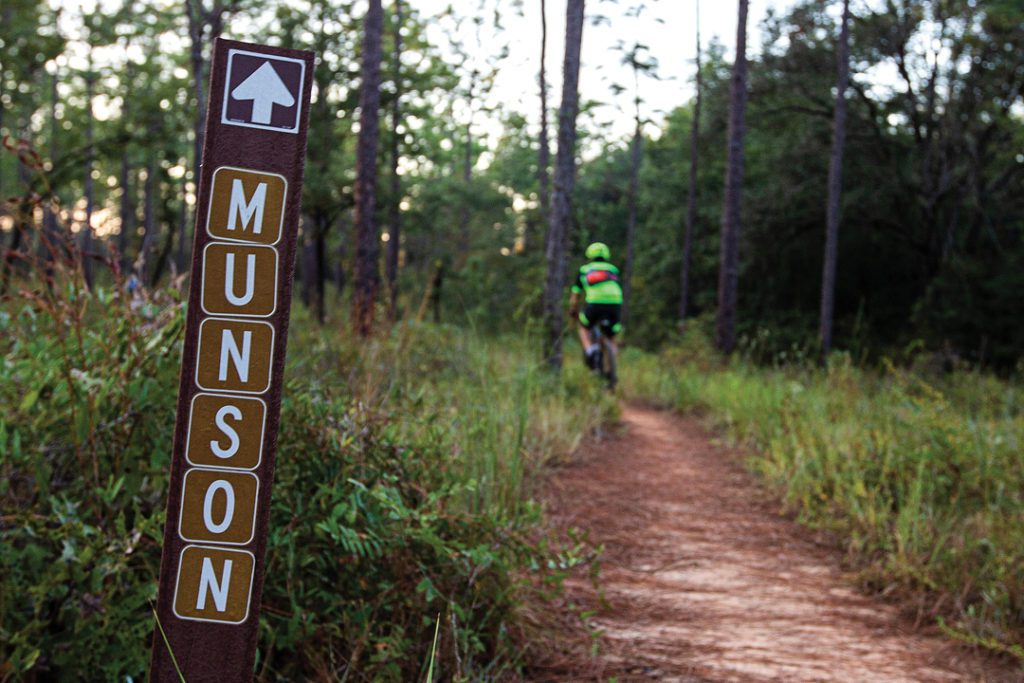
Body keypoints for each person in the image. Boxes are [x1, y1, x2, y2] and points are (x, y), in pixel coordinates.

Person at [569, 242, 623, 369]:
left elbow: (576, 293)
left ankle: (590, 351)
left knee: (583, 327)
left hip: (594, 304)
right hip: (615, 303)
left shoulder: (584, 270)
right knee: (611, 337)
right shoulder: (613, 270)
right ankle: (612, 369)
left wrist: (573, 309)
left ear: (589, 256)